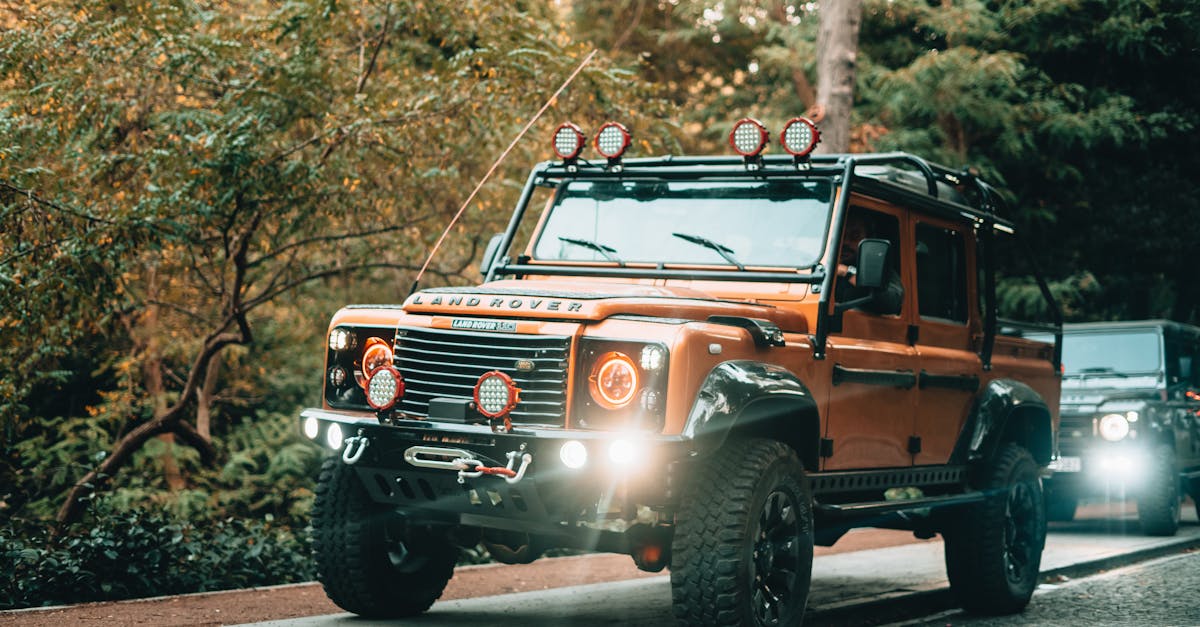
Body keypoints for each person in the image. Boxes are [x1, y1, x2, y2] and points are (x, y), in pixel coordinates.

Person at [835, 209, 904, 315]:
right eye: (842, 236)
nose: (846, 242)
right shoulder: (820, 266)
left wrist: (848, 273)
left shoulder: (877, 269)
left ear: (868, 240)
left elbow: (892, 302)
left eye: (855, 236)